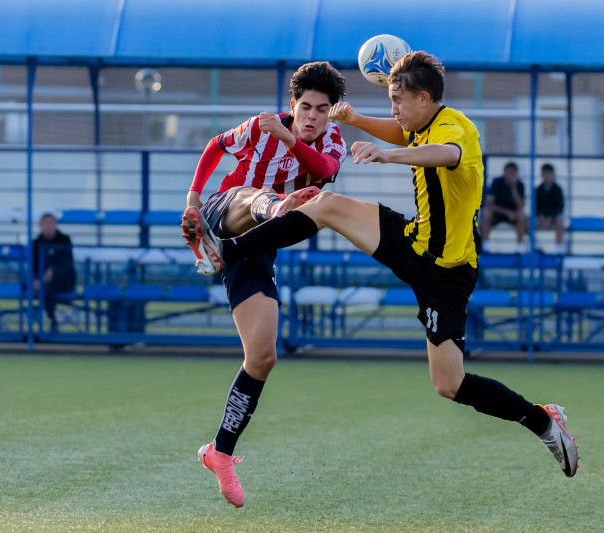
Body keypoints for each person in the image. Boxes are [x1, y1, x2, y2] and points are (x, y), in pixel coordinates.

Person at [192, 51, 579, 486]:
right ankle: (227, 250)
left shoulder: (455, 129)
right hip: (410, 241)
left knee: (448, 384)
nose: (393, 108)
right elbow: (402, 130)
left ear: (425, 98)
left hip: (447, 273)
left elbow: (445, 154)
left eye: (397, 99)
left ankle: (542, 420)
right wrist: (356, 119)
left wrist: (387, 155)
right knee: (326, 204)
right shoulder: (421, 121)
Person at [180, 61, 348, 508]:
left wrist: (290, 139)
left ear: (331, 113)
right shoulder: (262, 126)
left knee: (263, 355)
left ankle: (219, 451)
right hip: (225, 210)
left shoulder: (333, 141)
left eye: (322, 109)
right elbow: (216, 146)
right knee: (259, 197)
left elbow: (323, 167)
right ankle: (268, 213)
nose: (313, 116)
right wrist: (194, 197)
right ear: (293, 105)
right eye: (306, 107)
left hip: (254, 246)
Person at [32, 211, 76, 333]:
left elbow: (67, 264)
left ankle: (45, 317)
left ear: (56, 225)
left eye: (52, 223)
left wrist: (53, 273)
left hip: (63, 283)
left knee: (46, 286)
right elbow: (32, 267)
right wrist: (35, 280)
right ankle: (50, 320)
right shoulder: (35, 243)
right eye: (45, 223)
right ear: (40, 226)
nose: (49, 226)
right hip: (43, 285)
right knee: (42, 287)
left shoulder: (65, 240)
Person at [479, 162, 528, 253]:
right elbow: (489, 204)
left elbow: (521, 206)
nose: (511, 175)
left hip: (513, 216)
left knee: (522, 216)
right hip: (497, 214)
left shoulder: (520, 185)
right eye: (509, 172)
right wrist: (507, 212)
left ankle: (519, 248)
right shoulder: (496, 182)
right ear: (504, 172)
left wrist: (513, 188)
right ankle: (485, 246)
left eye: (513, 173)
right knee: (486, 213)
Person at [535, 163, 565, 254]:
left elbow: (560, 207)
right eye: (545, 173)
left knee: (560, 221)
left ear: (552, 174)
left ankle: (558, 249)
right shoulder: (538, 190)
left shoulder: (557, 189)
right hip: (541, 218)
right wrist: (540, 216)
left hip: (553, 217)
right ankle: (537, 247)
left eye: (549, 173)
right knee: (528, 223)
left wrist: (550, 217)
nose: (547, 176)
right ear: (542, 174)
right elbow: (535, 206)